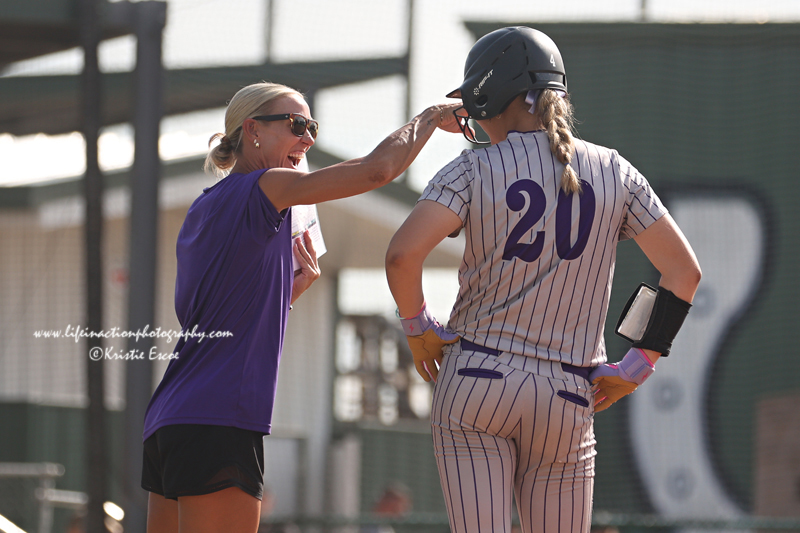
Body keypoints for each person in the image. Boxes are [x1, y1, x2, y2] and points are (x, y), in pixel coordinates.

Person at [385, 27, 701, 533]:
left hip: (476, 380)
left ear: (489, 97)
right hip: (570, 391)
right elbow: (684, 272)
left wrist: (418, 325)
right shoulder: (615, 170)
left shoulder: (473, 167)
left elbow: (403, 255)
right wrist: (638, 363)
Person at [141, 81, 463, 533]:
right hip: (218, 420)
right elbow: (376, 171)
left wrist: (287, 291)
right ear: (251, 129)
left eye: (311, 126)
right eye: (296, 124)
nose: (308, 138)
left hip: (169, 418)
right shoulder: (265, 187)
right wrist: (429, 117)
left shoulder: (205, 206)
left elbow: (212, 320)